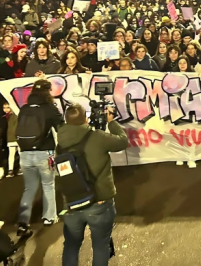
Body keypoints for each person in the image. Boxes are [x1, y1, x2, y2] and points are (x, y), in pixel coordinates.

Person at [57, 103, 129, 266]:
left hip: (71, 201)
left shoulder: (60, 141)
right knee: (100, 246)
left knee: (71, 246)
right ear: (86, 119)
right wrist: (111, 122)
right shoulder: (97, 136)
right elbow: (122, 141)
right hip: (99, 201)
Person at [16, 78, 64, 237]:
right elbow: (61, 127)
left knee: (29, 188)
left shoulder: (24, 108)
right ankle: (49, 217)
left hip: (24, 153)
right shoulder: (49, 108)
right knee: (48, 184)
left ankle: (23, 219)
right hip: (45, 152)